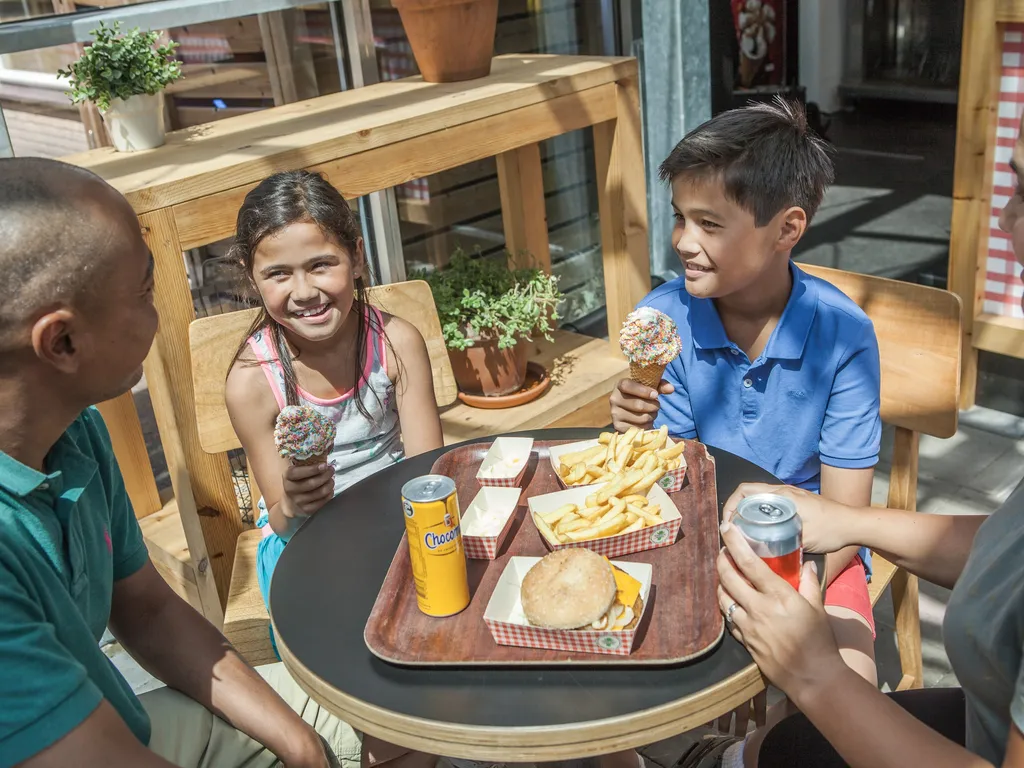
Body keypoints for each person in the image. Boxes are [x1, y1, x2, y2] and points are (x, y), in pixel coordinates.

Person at [0, 157, 434, 768]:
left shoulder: (76, 436)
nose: (161, 317)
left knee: (409, 718)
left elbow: (148, 611)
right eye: (146, 292)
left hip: (127, 722)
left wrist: (300, 745)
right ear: (62, 341)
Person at [713, 111, 1024, 768]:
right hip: (986, 721)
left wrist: (814, 674)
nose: (1002, 222)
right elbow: (1011, 547)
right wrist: (849, 518)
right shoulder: (676, 318)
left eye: (1023, 193)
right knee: (770, 747)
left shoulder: (842, 335)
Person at [608, 99, 880, 766]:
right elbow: (665, 488)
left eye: (709, 223)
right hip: (689, 545)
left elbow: (846, 519)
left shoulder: (843, 335)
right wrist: (634, 437)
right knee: (605, 688)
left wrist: (778, 592)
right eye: (679, 217)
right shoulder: (662, 323)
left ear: (788, 228)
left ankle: (734, 757)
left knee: (838, 725)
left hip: (816, 558)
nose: (681, 242)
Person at [224, 170, 444, 614]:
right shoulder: (251, 383)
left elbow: (426, 476)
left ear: (357, 257)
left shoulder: (396, 344)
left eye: (321, 265)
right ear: (252, 281)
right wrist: (295, 502)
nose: (304, 291)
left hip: (395, 519)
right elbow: (283, 523)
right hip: (305, 538)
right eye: (278, 274)